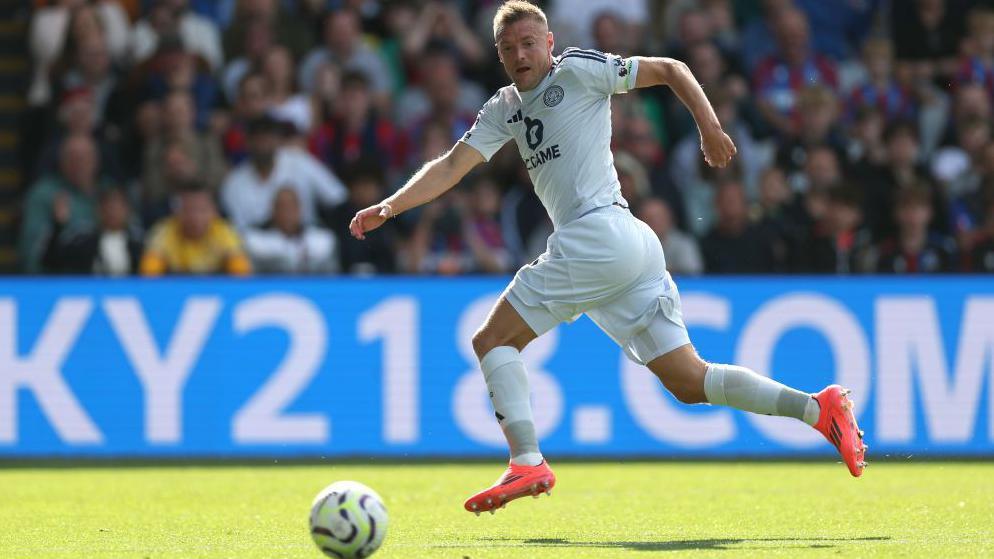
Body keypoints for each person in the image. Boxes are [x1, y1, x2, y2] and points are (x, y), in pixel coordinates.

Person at [348, 1, 867, 515]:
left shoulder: (576, 71)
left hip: (599, 235)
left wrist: (709, 127)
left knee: (491, 340)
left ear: (548, 43)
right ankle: (817, 408)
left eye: (530, 43)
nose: (521, 54)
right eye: (509, 48)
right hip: (626, 246)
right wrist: (392, 205)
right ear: (500, 56)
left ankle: (526, 460)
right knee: (689, 381)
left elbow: (672, 69)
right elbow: (451, 165)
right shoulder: (503, 108)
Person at [140, 184, 251, 276]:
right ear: (177, 212)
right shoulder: (164, 232)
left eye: (202, 210)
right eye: (189, 210)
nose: (195, 217)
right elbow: (149, 274)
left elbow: (241, 273)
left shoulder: (224, 232)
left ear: (214, 212)